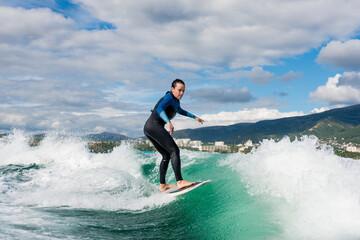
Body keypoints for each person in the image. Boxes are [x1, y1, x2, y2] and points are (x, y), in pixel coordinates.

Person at [144, 79, 205, 192]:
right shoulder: (169, 97)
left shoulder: (176, 101)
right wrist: (168, 122)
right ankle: (180, 181)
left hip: (148, 128)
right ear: (172, 89)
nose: (181, 93)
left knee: (166, 155)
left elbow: (180, 111)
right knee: (174, 150)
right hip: (154, 126)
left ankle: (163, 185)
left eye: (183, 91)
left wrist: (195, 117)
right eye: (179, 90)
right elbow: (159, 108)